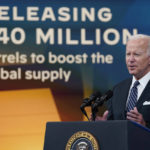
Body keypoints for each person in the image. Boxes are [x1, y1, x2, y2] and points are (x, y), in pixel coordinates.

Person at [94, 34, 150, 128]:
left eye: (136, 54)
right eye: (128, 54)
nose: (131, 60)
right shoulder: (118, 89)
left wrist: (145, 126)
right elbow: (113, 127)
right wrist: (104, 125)